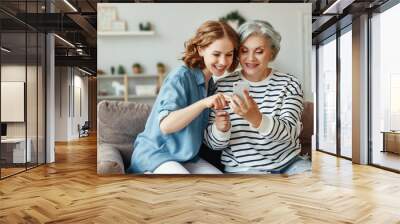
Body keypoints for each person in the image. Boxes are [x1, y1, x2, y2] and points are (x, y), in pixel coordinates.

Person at [127, 20, 239, 174]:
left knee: (220, 184)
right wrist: (204, 103)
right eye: (216, 54)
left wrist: (222, 126)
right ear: (201, 50)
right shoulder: (180, 77)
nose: (223, 61)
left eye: (229, 54)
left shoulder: (211, 85)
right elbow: (166, 125)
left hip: (187, 158)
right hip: (155, 156)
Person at [204, 20, 311, 174]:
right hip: (242, 169)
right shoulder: (221, 86)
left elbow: (291, 132)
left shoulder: (289, 83)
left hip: (289, 164)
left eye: (259, 51)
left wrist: (256, 119)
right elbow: (212, 144)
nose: (250, 58)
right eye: (244, 50)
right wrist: (220, 129)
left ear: (272, 52)